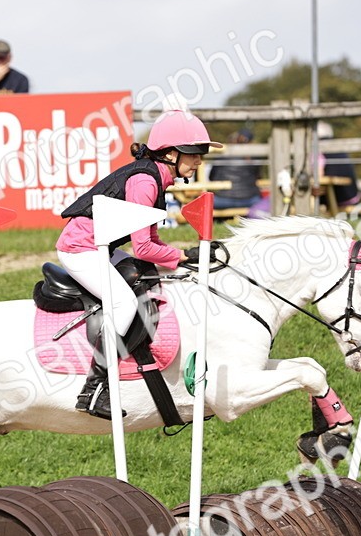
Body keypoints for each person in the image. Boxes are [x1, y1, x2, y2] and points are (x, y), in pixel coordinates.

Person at [56, 109, 221, 418]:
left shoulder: (158, 179)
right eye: (195, 153)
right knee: (123, 305)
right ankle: (93, 390)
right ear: (171, 153)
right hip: (81, 249)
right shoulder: (146, 181)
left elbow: (152, 242)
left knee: (146, 278)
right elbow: (143, 247)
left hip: (100, 247)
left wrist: (183, 257)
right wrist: (180, 257)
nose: (200, 160)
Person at [207, 127, 263, 213]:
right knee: (262, 200)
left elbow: (212, 177)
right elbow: (258, 176)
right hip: (250, 199)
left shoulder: (221, 155)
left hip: (223, 200)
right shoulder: (254, 157)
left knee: (207, 201)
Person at [316, 121, 361, 210]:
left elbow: (318, 175)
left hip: (336, 198)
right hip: (352, 196)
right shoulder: (339, 148)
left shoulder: (319, 149)